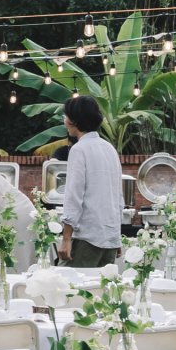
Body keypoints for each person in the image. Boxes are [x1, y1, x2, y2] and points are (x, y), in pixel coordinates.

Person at [57, 95, 124, 268]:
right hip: (109, 237)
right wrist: (116, 237)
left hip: (87, 237)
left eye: (66, 116)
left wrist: (66, 239)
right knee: (101, 285)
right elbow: (118, 197)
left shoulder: (79, 150)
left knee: (69, 283)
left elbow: (73, 196)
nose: (64, 120)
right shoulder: (109, 149)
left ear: (73, 121)